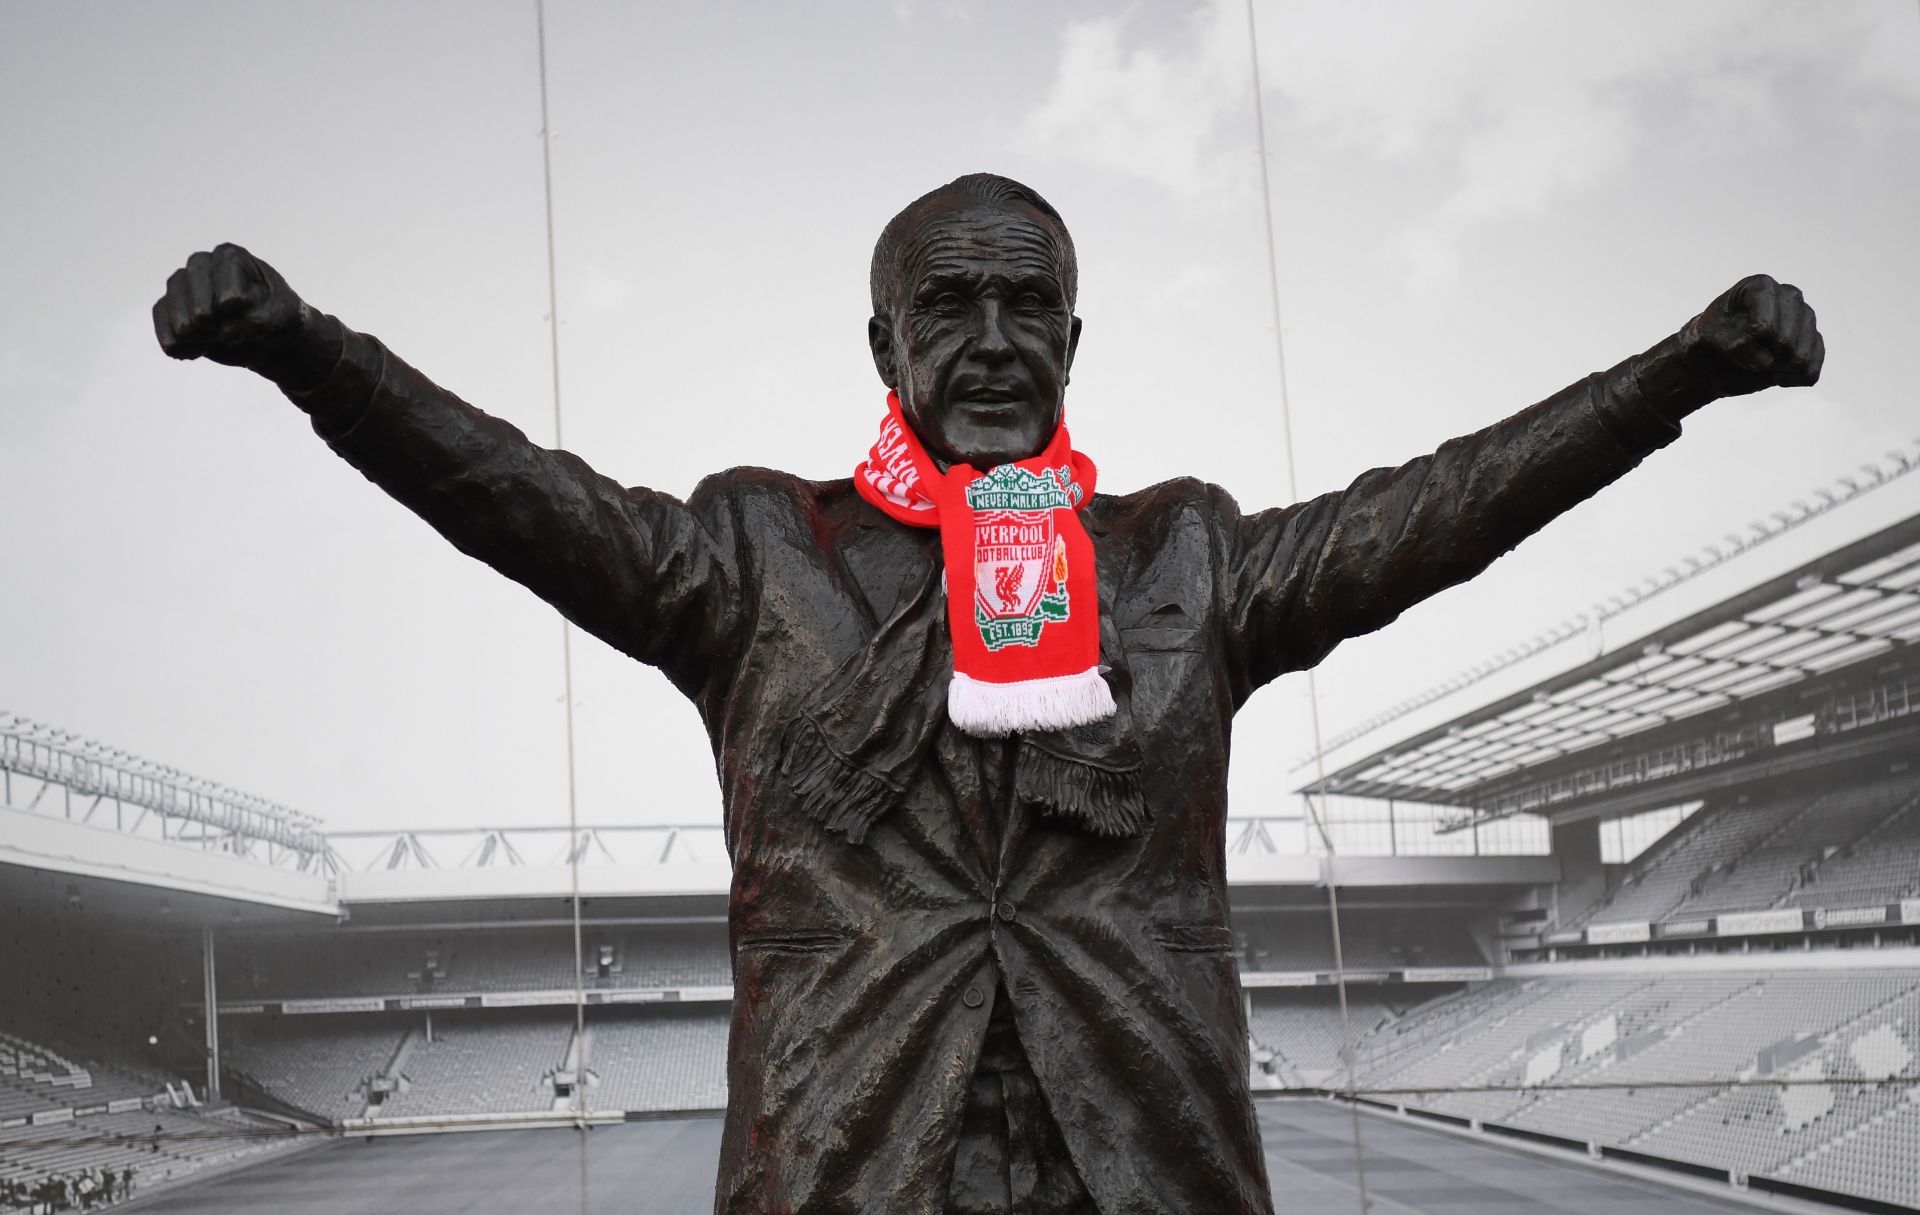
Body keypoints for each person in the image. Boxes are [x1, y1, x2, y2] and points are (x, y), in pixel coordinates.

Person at [154, 174, 1821, 1213]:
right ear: (881, 345)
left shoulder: (1184, 558)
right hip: (849, 1170)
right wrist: (309, 350)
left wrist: (1673, 374)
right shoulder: (756, 554)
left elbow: (1442, 505)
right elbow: (513, 489)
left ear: (1079, 340)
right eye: (950, 305)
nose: (996, 337)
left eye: (1032, 305)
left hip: (1148, 1167)